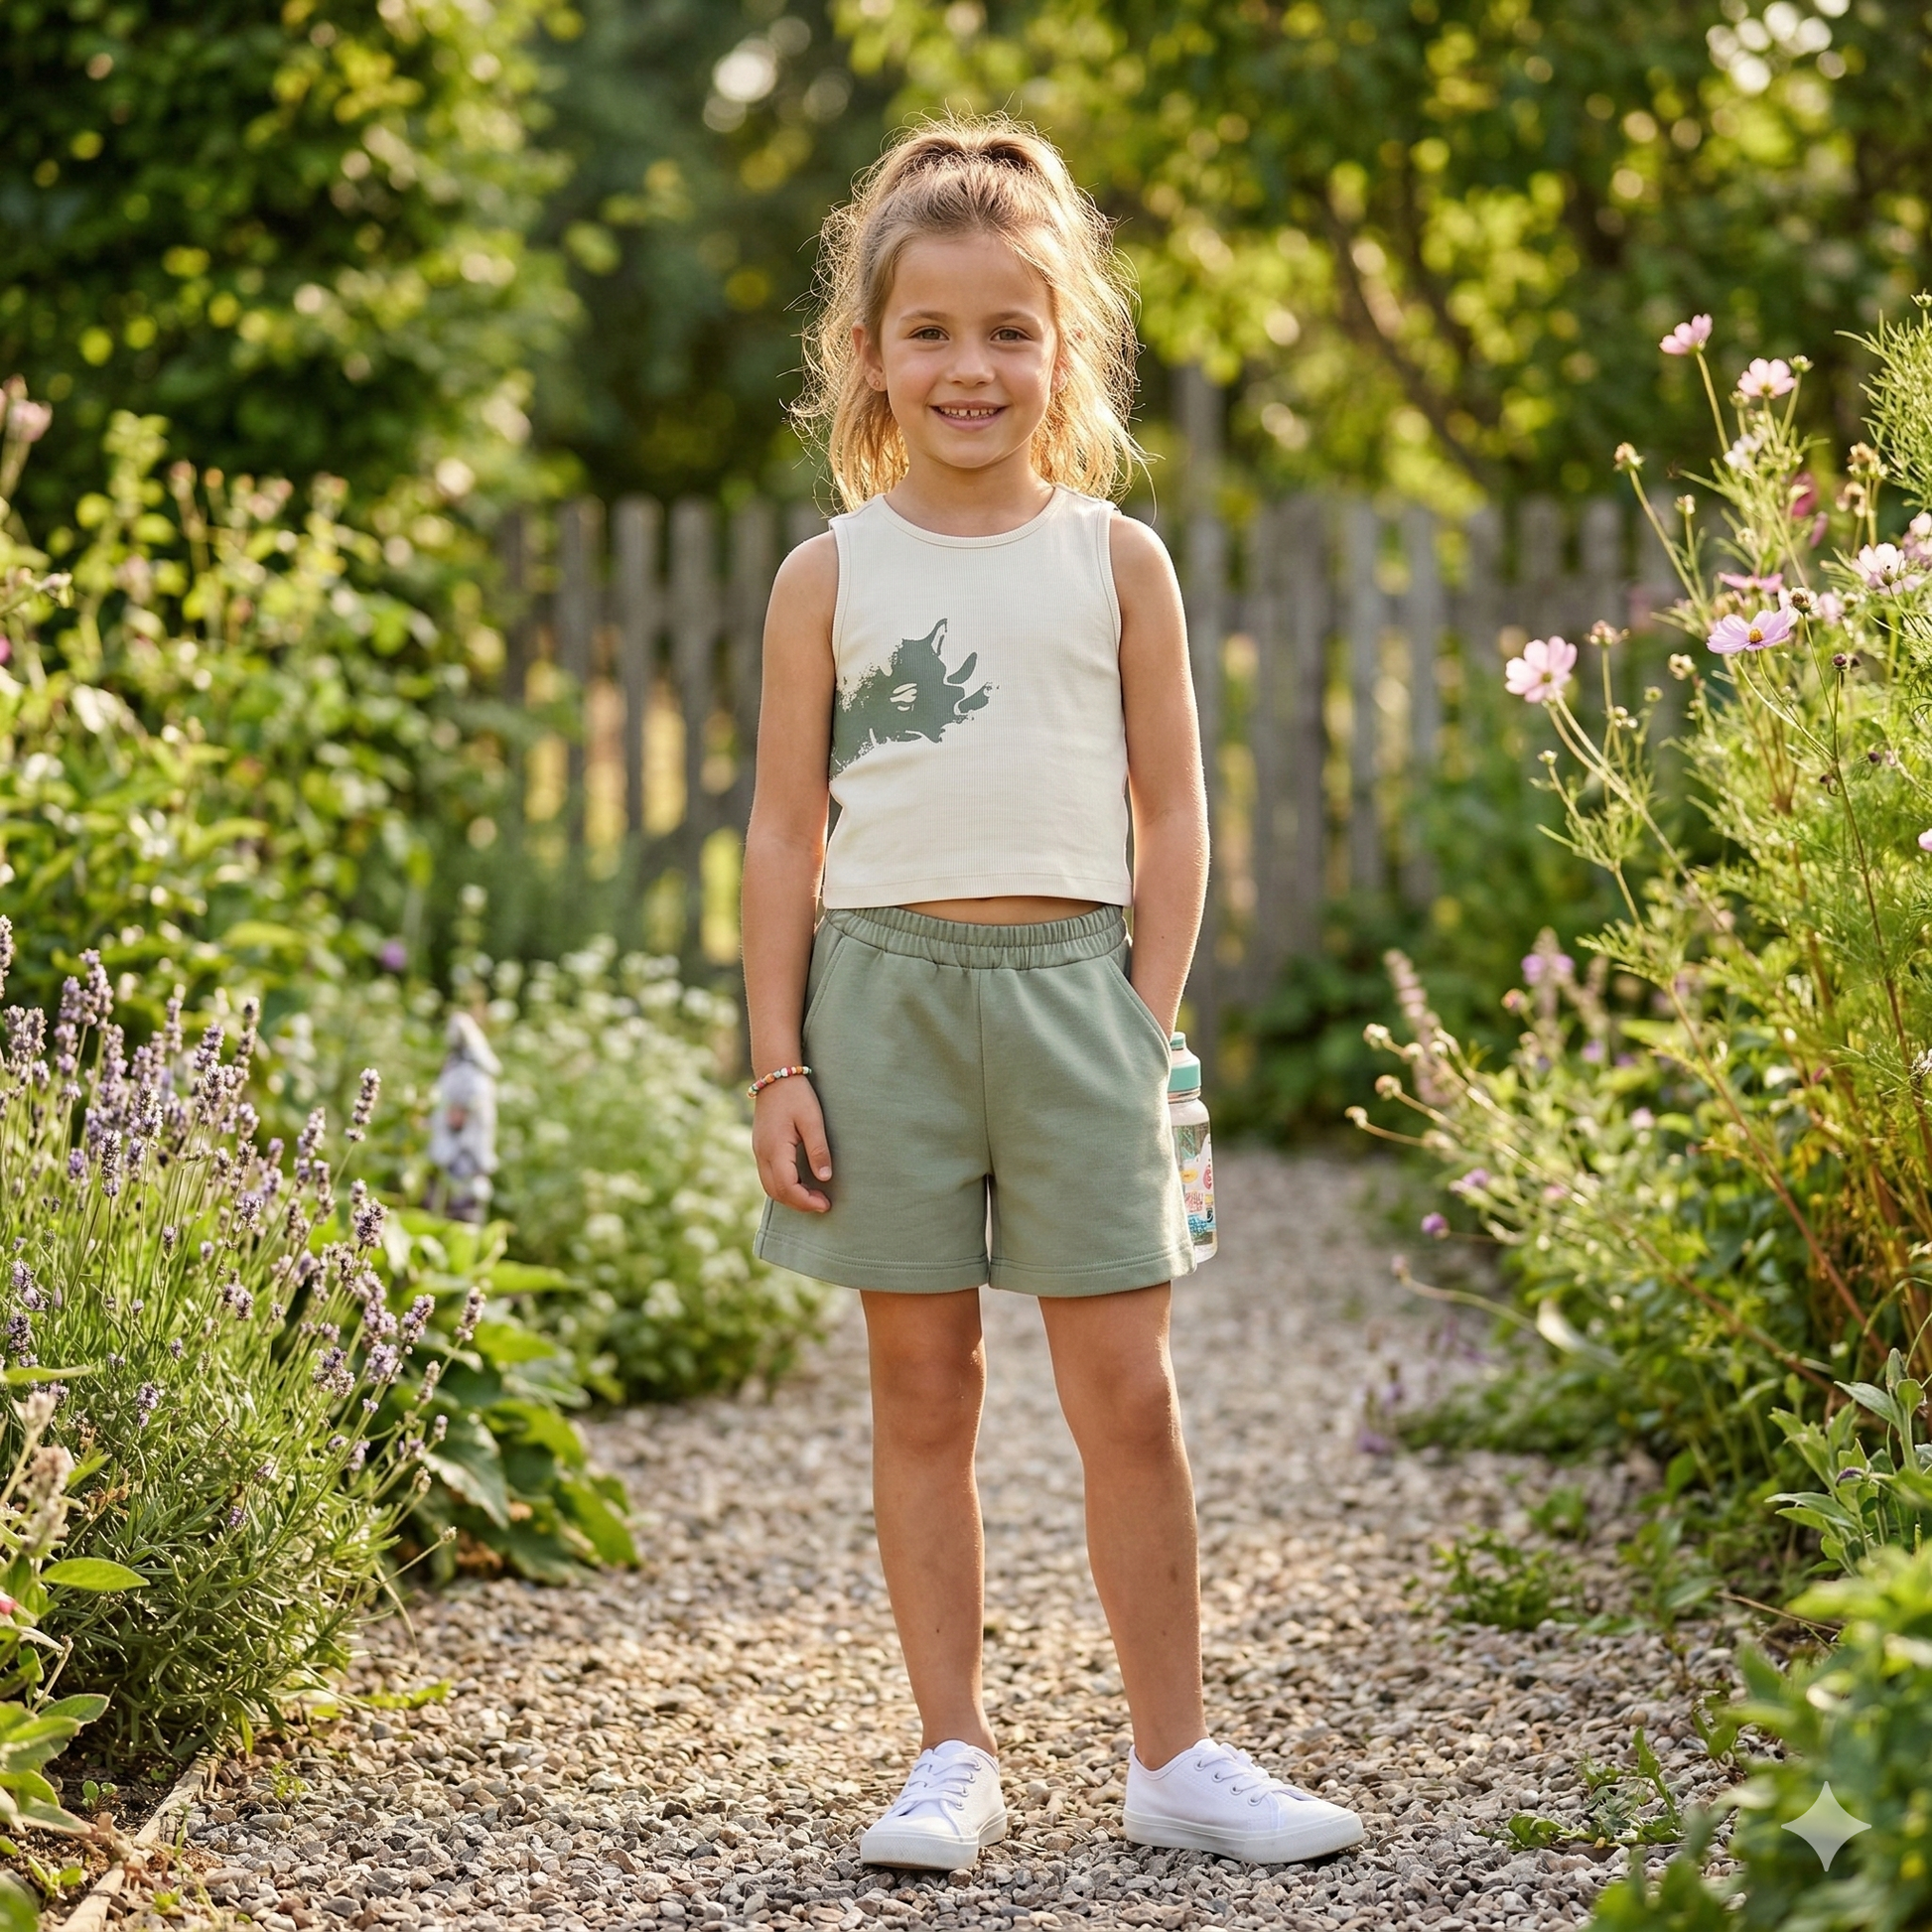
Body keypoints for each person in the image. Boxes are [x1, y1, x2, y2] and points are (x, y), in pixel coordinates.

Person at [741, 115, 1364, 1873]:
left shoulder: (1116, 559)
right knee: (921, 1386)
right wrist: (777, 1061)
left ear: (1063, 346)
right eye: (929, 330)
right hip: (880, 1007)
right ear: (867, 353)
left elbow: (1175, 813)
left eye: (1008, 329)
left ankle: (1172, 1755)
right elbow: (783, 832)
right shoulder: (827, 576)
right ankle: (950, 1752)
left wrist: (1140, 1017)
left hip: (1082, 999)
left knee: (1127, 1394)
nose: (970, 366)